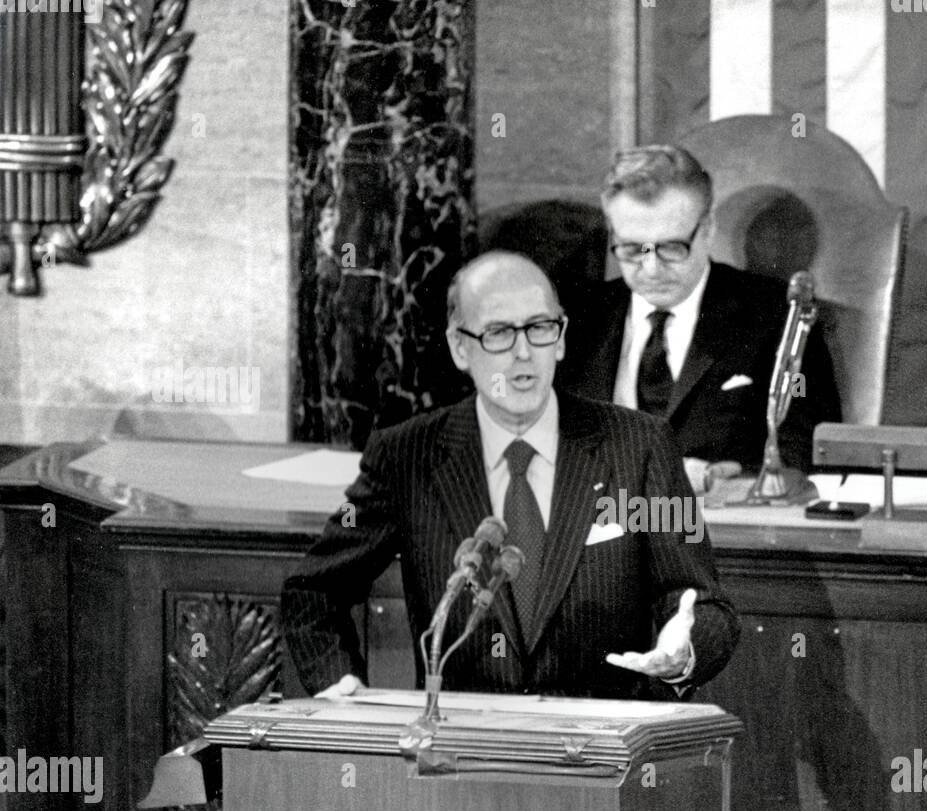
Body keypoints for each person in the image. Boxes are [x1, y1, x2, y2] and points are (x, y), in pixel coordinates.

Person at [282, 250, 741, 700]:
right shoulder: (406, 456)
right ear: (460, 347)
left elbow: (702, 603)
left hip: (604, 748)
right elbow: (314, 591)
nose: (524, 354)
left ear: (560, 339)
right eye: (499, 333)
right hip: (463, 751)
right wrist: (337, 683)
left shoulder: (641, 447)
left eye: (540, 329)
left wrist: (684, 651)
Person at [560, 145, 841, 491]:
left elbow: (810, 453)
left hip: (723, 534)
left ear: (707, 230)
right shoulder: (576, 320)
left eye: (672, 248)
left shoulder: (778, 316)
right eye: (632, 250)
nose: (651, 269)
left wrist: (730, 481)